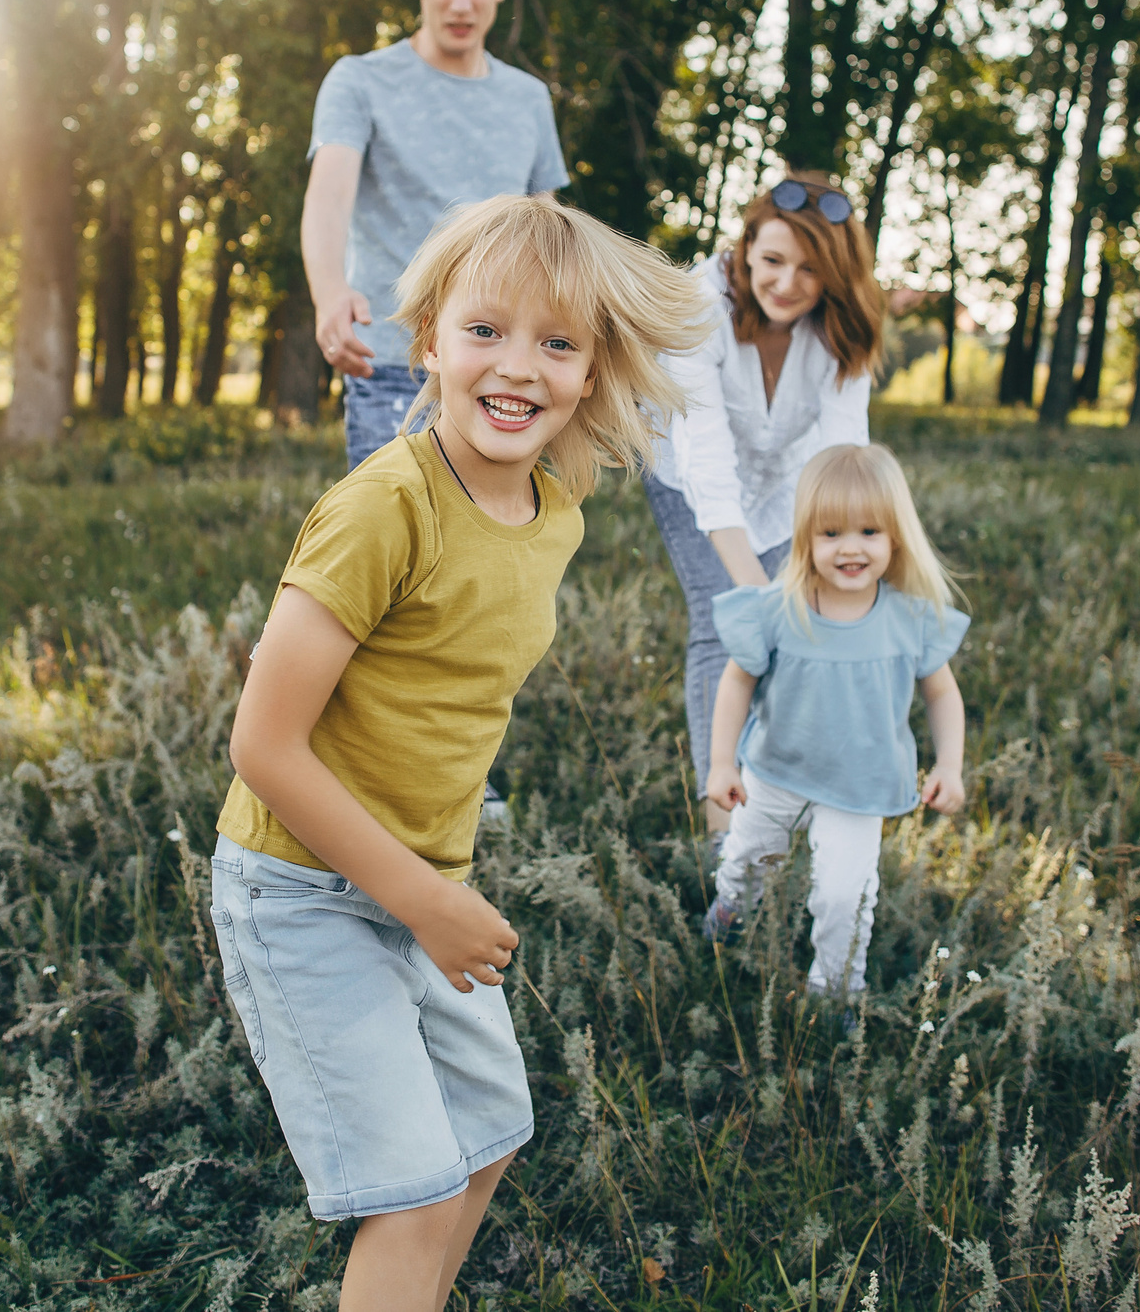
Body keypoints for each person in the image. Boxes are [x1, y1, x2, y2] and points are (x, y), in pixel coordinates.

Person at [212, 195, 708, 1311]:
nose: (517, 367)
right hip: (304, 887)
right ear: (428, 339)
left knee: (488, 1133)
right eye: (485, 331)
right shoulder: (384, 509)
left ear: (592, 371)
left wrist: (431, 893)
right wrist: (420, 901)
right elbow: (264, 744)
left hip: (423, 879)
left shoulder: (556, 506)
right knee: (418, 1192)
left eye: (557, 342)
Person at [646, 173, 885, 831]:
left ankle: (788, 799)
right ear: (746, 248)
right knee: (729, 624)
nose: (786, 283)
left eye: (810, 269)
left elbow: (842, 456)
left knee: (808, 629)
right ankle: (727, 836)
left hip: (785, 486)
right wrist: (759, 598)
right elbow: (709, 459)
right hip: (689, 474)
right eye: (773, 261)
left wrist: (846, 568)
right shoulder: (701, 302)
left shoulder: (847, 325)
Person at [303, 0, 569, 469]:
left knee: (492, 544)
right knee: (400, 542)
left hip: (502, 367)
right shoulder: (360, 81)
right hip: (396, 360)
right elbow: (328, 196)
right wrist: (330, 292)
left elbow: (551, 236)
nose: (460, 2)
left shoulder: (527, 99)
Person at [701, 443, 970, 996]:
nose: (851, 549)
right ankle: (728, 917)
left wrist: (950, 763)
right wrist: (722, 764)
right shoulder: (779, 608)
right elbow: (735, 681)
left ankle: (836, 991)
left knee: (846, 894)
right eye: (831, 534)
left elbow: (942, 694)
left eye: (869, 532)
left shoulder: (909, 619)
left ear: (896, 536)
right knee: (749, 863)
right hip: (774, 773)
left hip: (859, 786)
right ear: (806, 538)